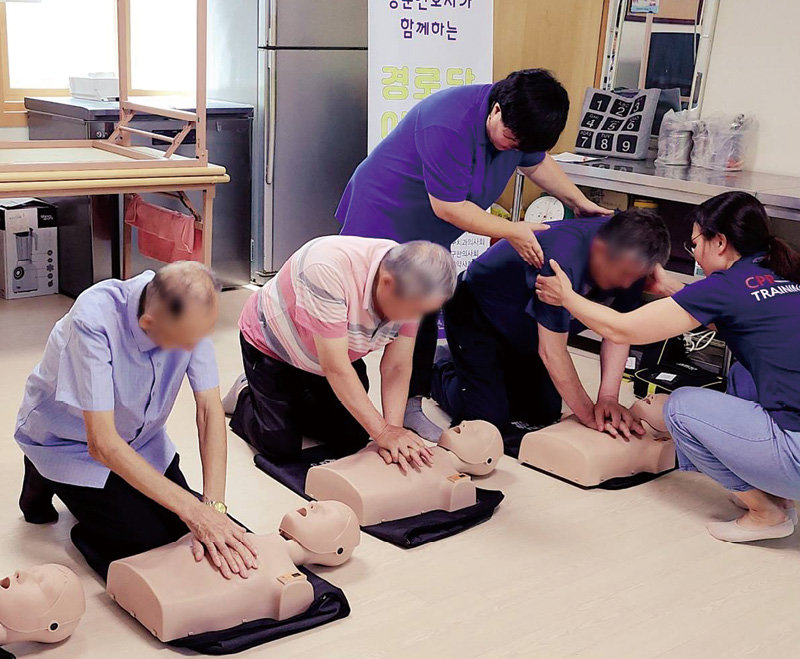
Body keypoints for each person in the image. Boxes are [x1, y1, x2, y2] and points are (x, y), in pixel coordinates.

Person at [336, 69, 611, 441]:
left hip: (429, 234)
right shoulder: (448, 122)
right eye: (510, 139)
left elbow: (536, 161)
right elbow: (448, 207)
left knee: (420, 313)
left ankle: (410, 405)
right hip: (385, 213)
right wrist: (513, 230)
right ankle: (296, 368)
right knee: (356, 311)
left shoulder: (520, 123)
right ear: (496, 110)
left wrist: (578, 202)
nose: (513, 149)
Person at [535, 191, 800, 542]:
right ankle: (780, 495)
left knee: (679, 408)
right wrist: (672, 290)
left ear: (719, 242)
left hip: (794, 454)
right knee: (742, 372)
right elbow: (725, 319)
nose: (696, 256)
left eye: (694, 245)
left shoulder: (725, 287)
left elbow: (622, 328)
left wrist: (567, 297)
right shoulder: (781, 273)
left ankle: (766, 513)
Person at [15, 262, 258, 580]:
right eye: (186, 342)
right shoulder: (94, 319)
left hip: (141, 439)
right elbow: (101, 445)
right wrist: (193, 509)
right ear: (147, 323)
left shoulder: (187, 309)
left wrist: (213, 507)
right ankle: (41, 471)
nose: (194, 348)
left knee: (182, 528)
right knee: (146, 542)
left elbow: (209, 411)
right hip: (70, 442)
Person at [225, 236, 456, 474]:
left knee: (352, 438)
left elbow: (396, 366)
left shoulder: (411, 285)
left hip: (335, 354)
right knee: (279, 445)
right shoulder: (326, 268)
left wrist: (392, 433)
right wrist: (383, 432)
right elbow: (335, 368)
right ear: (387, 283)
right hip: (274, 348)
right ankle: (245, 390)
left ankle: (293, 401)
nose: (415, 317)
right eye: (415, 310)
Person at [431, 209, 671, 437]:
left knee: (541, 412)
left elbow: (618, 332)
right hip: (477, 312)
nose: (628, 284)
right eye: (623, 274)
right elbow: (552, 351)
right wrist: (589, 415)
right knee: (487, 420)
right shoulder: (561, 260)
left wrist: (608, 398)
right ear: (600, 249)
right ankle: (442, 367)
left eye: (635, 277)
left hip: (527, 326)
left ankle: (490, 372)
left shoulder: (631, 262)